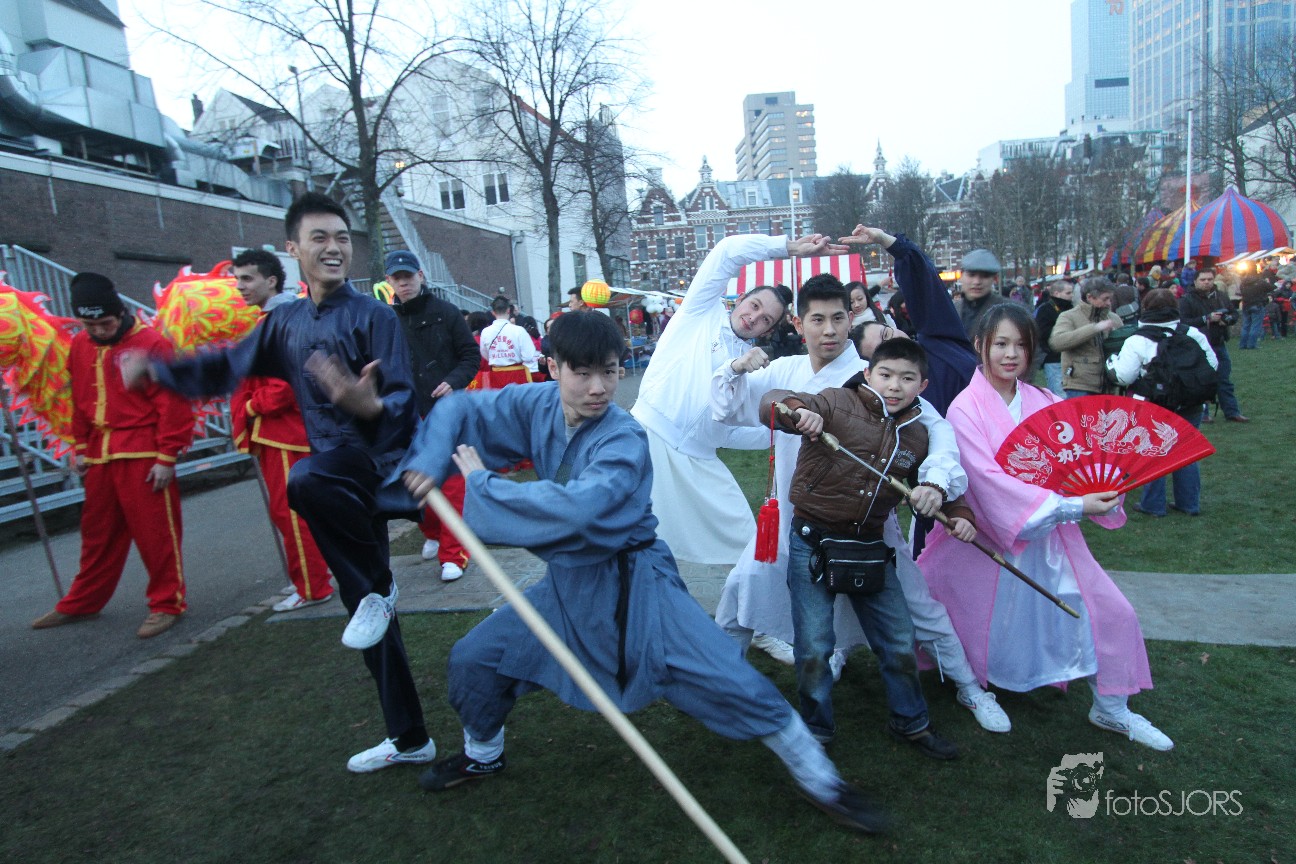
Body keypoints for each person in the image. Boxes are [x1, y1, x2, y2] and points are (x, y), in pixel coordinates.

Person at [396, 311, 887, 834]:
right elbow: (459, 408)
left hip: (636, 588)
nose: (598, 388)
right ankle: (482, 754)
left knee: (732, 679)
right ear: (552, 367)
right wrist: (429, 457)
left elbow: (580, 510)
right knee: (476, 658)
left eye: (609, 372)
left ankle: (822, 781)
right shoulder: (535, 403)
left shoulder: (623, 438)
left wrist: (484, 489)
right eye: (582, 373)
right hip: (567, 589)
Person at [129, 193, 433, 772]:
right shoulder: (284, 323)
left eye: (341, 237)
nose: (334, 248)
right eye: (320, 238)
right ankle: (410, 737)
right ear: (293, 248)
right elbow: (224, 366)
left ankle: (378, 590)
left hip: (376, 467)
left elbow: (401, 402)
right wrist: (157, 370)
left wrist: (365, 405)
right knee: (366, 617)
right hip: (335, 489)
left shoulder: (376, 316)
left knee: (304, 478)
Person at [917, 303, 1173, 751]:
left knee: (1110, 613)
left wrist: (1103, 487)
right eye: (1000, 343)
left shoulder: (1046, 402)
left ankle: (1112, 706)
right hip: (989, 536)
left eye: (1020, 345)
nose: (1010, 354)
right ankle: (971, 687)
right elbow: (988, 485)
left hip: (1054, 538)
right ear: (979, 345)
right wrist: (1073, 505)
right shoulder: (964, 410)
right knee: (973, 619)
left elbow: (1080, 458)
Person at [709, 274, 968, 687]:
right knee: (745, 585)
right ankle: (719, 680)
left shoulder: (873, 376)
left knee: (917, 603)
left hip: (865, 520)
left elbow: (935, 428)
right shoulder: (784, 369)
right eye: (817, 320)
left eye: (837, 318)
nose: (828, 330)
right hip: (793, 515)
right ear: (798, 324)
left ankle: (968, 686)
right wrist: (736, 369)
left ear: (851, 319)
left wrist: (936, 482)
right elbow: (727, 408)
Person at [833, 226, 1011, 732]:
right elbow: (797, 406)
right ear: (868, 372)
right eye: (882, 363)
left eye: (903, 366)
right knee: (828, 601)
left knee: (929, 602)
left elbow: (943, 453)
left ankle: (970, 685)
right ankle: (829, 658)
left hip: (952, 499)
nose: (895, 376)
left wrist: (941, 493)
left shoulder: (937, 370)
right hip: (838, 526)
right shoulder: (847, 400)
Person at [762, 338, 976, 753]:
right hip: (811, 542)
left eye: (907, 378)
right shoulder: (835, 401)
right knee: (814, 647)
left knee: (899, 640)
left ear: (923, 386)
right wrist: (797, 410)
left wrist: (959, 514)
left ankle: (911, 722)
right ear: (868, 374)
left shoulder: (919, 435)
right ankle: (816, 730)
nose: (895, 385)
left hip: (869, 546)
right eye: (886, 374)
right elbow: (771, 402)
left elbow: (941, 484)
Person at [630, 232, 843, 566]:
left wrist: (787, 429)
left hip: (698, 460)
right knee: (628, 536)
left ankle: (750, 598)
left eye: (766, 320)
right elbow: (727, 251)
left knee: (748, 543)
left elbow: (731, 429)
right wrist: (788, 248)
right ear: (741, 298)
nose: (754, 318)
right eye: (754, 306)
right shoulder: (701, 311)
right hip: (646, 437)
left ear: (768, 331)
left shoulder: (751, 365)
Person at [30, 273, 194, 639]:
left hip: (145, 452)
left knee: (155, 534)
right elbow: (78, 400)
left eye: (106, 323)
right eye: (90, 325)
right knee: (97, 535)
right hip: (100, 454)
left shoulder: (152, 343)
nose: (99, 331)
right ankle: (83, 601)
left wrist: (167, 457)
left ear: (120, 313)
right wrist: (80, 447)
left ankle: (167, 603)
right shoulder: (79, 345)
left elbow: (173, 403)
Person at [228, 249, 334, 612]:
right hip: (290, 433)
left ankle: (312, 586)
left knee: (291, 512)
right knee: (304, 510)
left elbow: (285, 387)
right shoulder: (282, 319)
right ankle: (314, 575)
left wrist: (249, 407)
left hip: (285, 434)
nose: (240, 286)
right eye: (237, 279)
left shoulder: (279, 323)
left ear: (271, 280)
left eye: (247, 278)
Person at [387, 249, 481, 581]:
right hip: (406, 415)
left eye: (408, 276)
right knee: (415, 482)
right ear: (389, 281)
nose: (404, 283)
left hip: (446, 411)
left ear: (421, 275)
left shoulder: (446, 311)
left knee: (452, 483)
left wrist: (453, 382)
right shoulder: (387, 319)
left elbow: (471, 356)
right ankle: (432, 532)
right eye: (397, 278)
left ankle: (454, 553)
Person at [1107, 289, 1217, 517]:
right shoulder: (1192, 333)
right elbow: (1212, 365)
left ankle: (1153, 505)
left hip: (1154, 404)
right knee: (1186, 453)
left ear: (1145, 309)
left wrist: (1112, 363)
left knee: (1152, 453)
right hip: (1190, 402)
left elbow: (1124, 376)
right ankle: (1189, 503)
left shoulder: (1137, 340)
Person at [1180, 266, 1247, 422]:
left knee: (1224, 379)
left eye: (1210, 279)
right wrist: (1206, 318)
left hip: (1218, 342)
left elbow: (1233, 313)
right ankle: (1202, 414)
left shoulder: (1220, 296)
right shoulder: (1186, 299)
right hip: (1197, 346)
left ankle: (1232, 411)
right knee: (1200, 381)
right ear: (1195, 281)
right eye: (1203, 279)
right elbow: (1183, 322)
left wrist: (1227, 319)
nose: (1207, 282)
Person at [1049, 277, 1121, 399]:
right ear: (1090, 297)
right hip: (1080, 386)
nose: (1109, 303)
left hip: (1110, 386)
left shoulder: (1113, 318)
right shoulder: (1068, 316)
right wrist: (1094, 328)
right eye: (1105, 299)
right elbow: (1057, 342)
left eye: (1110, 299)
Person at [480, 294, 540, 386]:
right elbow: (528, 356)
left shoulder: (486, 332)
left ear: (493, 312)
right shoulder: (519, 330)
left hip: (496, 376)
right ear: (508, 310)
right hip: (517, 375)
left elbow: (484, 353)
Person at [954, 248, 1010, 338]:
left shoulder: (1010, 311)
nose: (977, 282)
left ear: (995, 279)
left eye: (985, 276)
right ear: (961, 276)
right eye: (971, 275)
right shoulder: (951, 309)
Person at [1034, 278, 1075, 397]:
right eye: (1068, 293)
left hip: (1072, 358)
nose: (1071, 296)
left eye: (1072, 292)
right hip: (1053, 359)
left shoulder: (1071, 309)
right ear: (1056, 293)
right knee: (1059, 395)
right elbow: (1041, 333)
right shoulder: (1045, 310)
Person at [1238, 275, 1271, 349]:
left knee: (1245, 326)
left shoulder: (1243, 283)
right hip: (1257, 305)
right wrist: (1267, 282)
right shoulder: (1260, 283)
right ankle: (1252, 344)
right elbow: (1270, 288)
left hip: (1246, 306)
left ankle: (1242, 344)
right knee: (1255, 326)